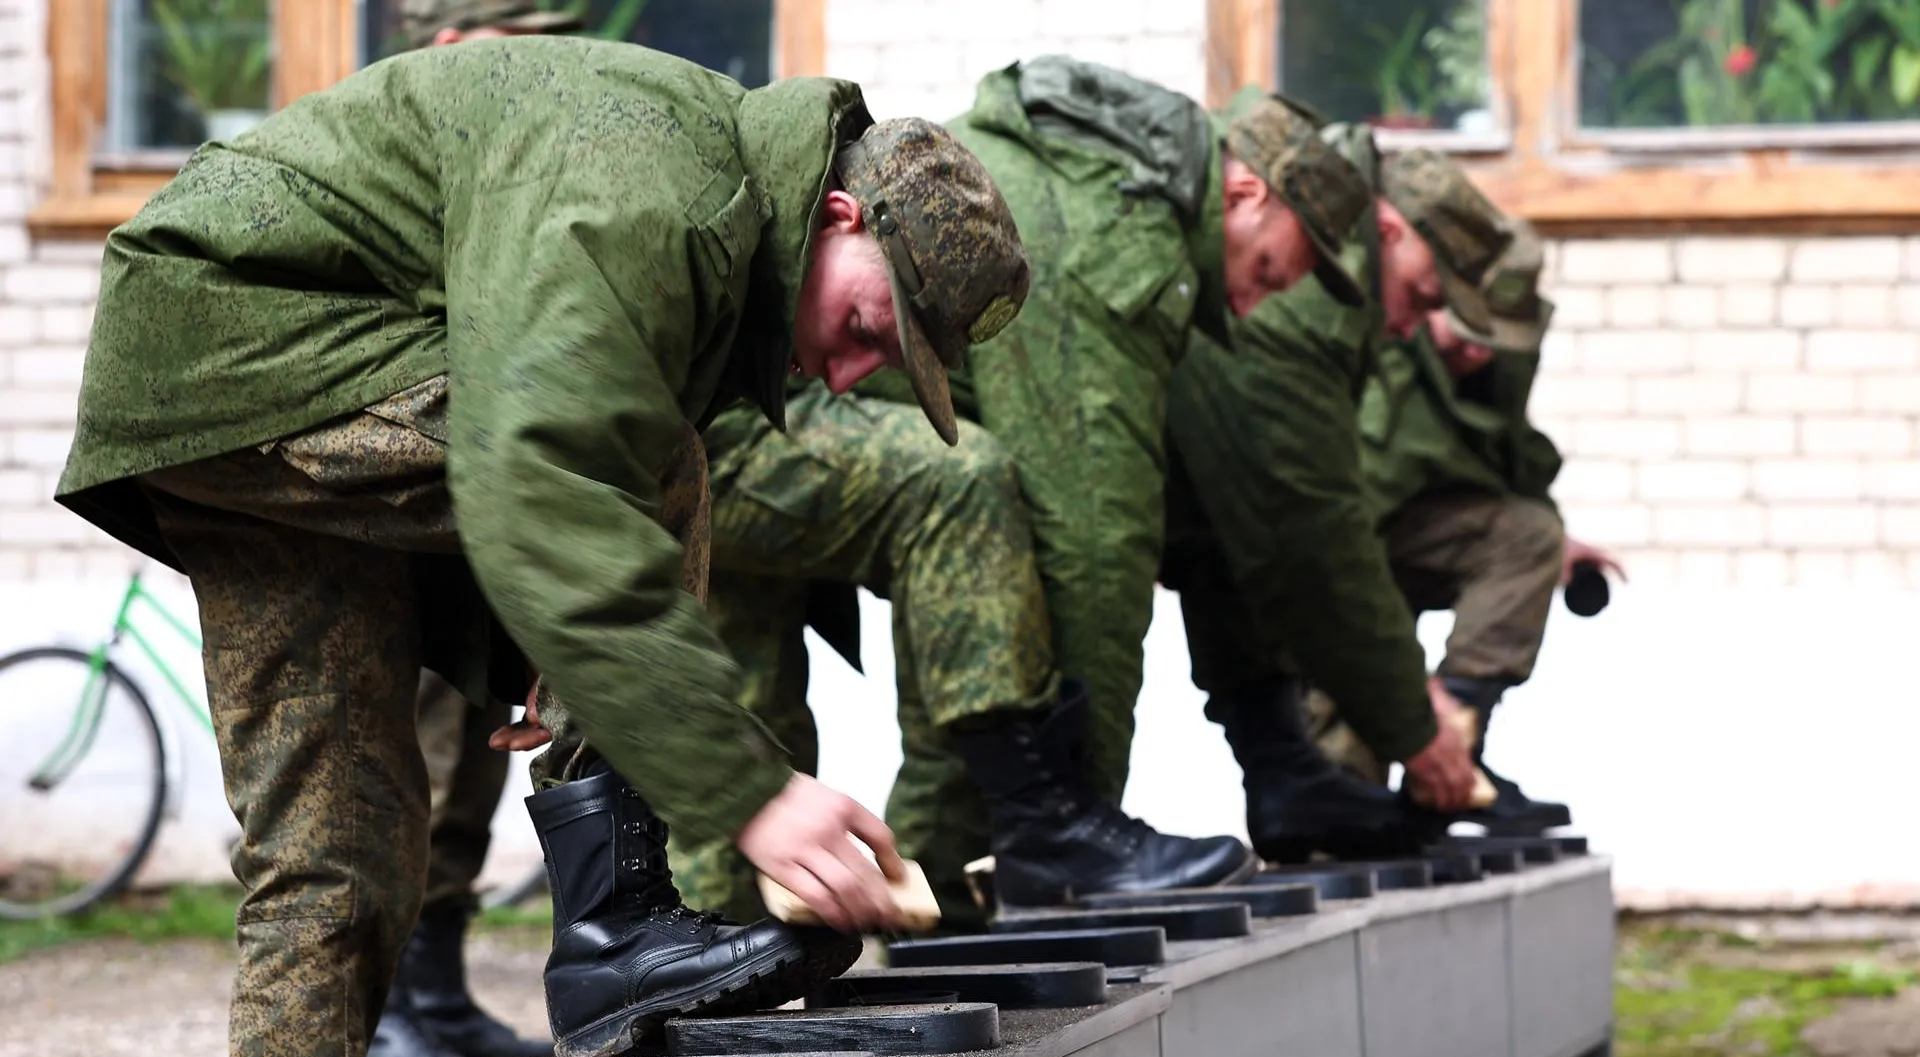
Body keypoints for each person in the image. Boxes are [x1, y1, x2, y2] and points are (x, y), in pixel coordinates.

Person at [55, 34, 1028, 1057]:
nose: (847, 376)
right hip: (254, 334)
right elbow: (547, 478)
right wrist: (752, 791)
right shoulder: (666, 192)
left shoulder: (706, 215)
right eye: (870, 330)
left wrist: (547, 646)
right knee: (657, 469)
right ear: (839, 216)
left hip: (213, 376)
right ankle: (618, 928)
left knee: (338, 854)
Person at [655, 56, 1376, 924]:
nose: (1269, 299)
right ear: (1251, 193)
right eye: (1282, 264)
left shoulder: (1102, 194)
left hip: (719, 421)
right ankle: (990, 867)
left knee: (754, 712)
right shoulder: (1114, 234)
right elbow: (1093, 539)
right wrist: (1083, 830)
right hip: (711, 425)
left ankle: (750, 976)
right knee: (959, 497)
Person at [1161, 92, 1513, 865]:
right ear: (1389, 229)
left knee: (1220, 532)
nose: (1412, 327)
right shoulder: (1303, 299)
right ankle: (968, 892)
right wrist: (1418, 736)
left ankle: (1285, 768)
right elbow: (1315, 542)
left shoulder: (1319, 273)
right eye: (1422, 296)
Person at [367, 5, 585, 1057]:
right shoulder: (395, 148)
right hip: (395, 500)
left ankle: (436, 987)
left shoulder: (501, 154)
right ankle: (383, 1007)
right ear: (452, 44)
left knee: (473, 754)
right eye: (525, 41)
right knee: (411, 756)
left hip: (478, 490)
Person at [1322, 220, 1625, 835]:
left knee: (1527, 533)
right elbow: (1333, 546)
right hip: (1332, 550)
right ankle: (1346, 808)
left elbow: (1504, 446)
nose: (1479, 351)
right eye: (1465, 330)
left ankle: (1453, 766)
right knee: (1343, 778)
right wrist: (1408, 695)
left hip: (1406, 525)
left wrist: (1553, 541)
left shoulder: (1496, 349)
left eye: (1496, 337)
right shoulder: (1381, 361)